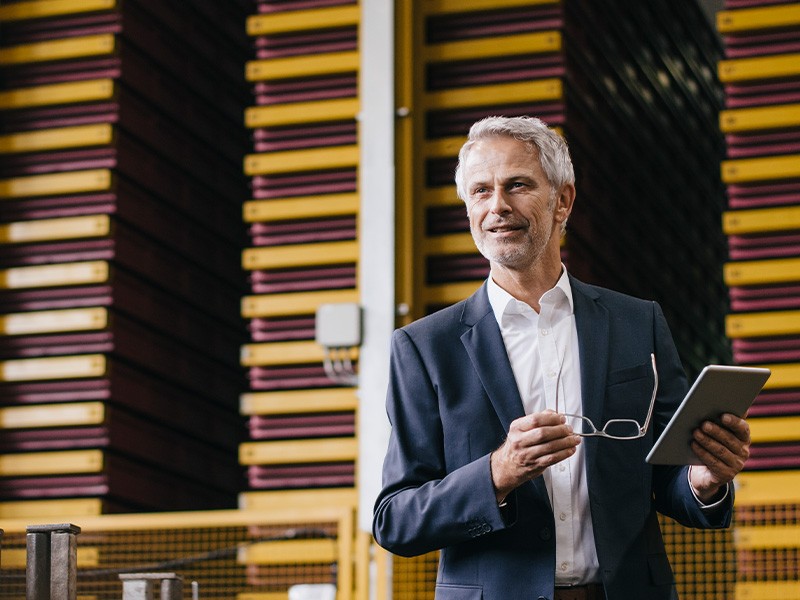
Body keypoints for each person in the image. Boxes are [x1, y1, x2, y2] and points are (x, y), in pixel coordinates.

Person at [372, 116, 751, 600]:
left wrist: (703, 479)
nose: (498, 207)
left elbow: (667, 480)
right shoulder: (424, 347)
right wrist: (497, 472)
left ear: (563, 201)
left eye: (517, 185)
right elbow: (395, 521)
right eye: (480, 192)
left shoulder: (639, 323)